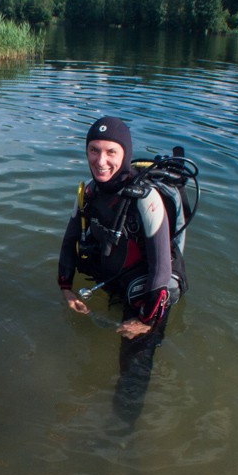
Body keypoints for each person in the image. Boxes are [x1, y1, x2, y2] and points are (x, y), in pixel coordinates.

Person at [57, 115, 188, 429]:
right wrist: (66, 287)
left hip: (148, 291)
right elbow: (70, 239)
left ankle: (121, 433)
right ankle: (90, 407)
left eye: (110, 152)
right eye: (93, 150)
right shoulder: (89, 192)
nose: (101, 161)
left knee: (134, 365)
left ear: (125, 154)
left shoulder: (146, 199)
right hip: (116, 275)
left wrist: (145, 321)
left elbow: (161, 270)